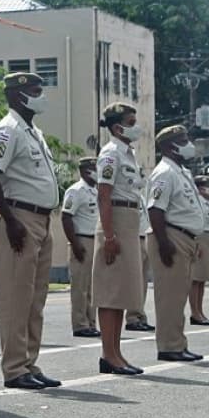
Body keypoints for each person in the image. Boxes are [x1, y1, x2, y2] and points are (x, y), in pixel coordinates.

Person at [0, 72, 62, 389]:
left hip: (40, 219)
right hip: (20, 219)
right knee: (16, 298)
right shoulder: (8, 129)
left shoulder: (33, 132)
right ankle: (14, 368)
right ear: (17, 95)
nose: (41, 95)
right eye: (34, 90)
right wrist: (10, 220)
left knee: (35, 298)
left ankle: (29, 362)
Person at [92, 102, 147, 376]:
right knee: (111, 292)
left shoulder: (128, 154)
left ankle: (116, 353)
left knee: (122, 291)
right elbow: (103, 195)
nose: (136, 126)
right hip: (114, 220)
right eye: (131, 121)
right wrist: (109, 235)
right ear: (117, 127)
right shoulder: (111, 153)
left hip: (128, 220)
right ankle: (108, 355)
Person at [145, 126, 205, 361]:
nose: (189, 143)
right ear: (170, 146)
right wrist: (164, 243)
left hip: (185, 237)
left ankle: (178, 343)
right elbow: (155, 210)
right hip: (171, 237)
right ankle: (169, 346)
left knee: (179, 295)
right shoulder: (164, 173)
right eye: (183, 140)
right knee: (170, 296)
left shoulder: (181, 172)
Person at [62, 157, 101, 337]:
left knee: (93, 287)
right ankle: (80, 324)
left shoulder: (96, 191)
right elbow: (66, 217)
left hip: (95, 241)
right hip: (82, 241)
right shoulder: (76, 191)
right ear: (86, 171)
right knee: (80, 287)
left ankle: (91, 322)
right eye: (95, 168)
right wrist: (75, 244)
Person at [127, 205, 157, 332]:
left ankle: (140, 316)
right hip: (134, 238)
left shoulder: (141, 196)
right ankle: (132, 318)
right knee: (135, 282)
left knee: (142, 283)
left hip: (145, 238)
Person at [190, 176, 209, 326]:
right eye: (201, 185)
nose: (204, 187)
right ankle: (194, 312)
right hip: (199, 236)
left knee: (202, 280)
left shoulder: (206, 201)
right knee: (195, 279)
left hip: (207, 237)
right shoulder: (195, 201)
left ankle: (200, 310)